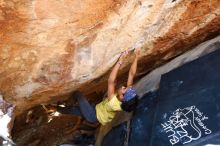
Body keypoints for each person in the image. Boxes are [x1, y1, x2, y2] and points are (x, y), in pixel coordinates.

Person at [57, 48, 140, 125]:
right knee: (74, 110)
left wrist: (120, 61)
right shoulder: (127, 97)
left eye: (124, 89)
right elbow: (131, 74)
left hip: (93, 115)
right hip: (97, 109)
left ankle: (64, 104)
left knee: (78, 95)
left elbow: (111, 81)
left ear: (122, 98)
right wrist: (136, 56)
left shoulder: (113, 103)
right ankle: (59, 109)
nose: (123, 87)